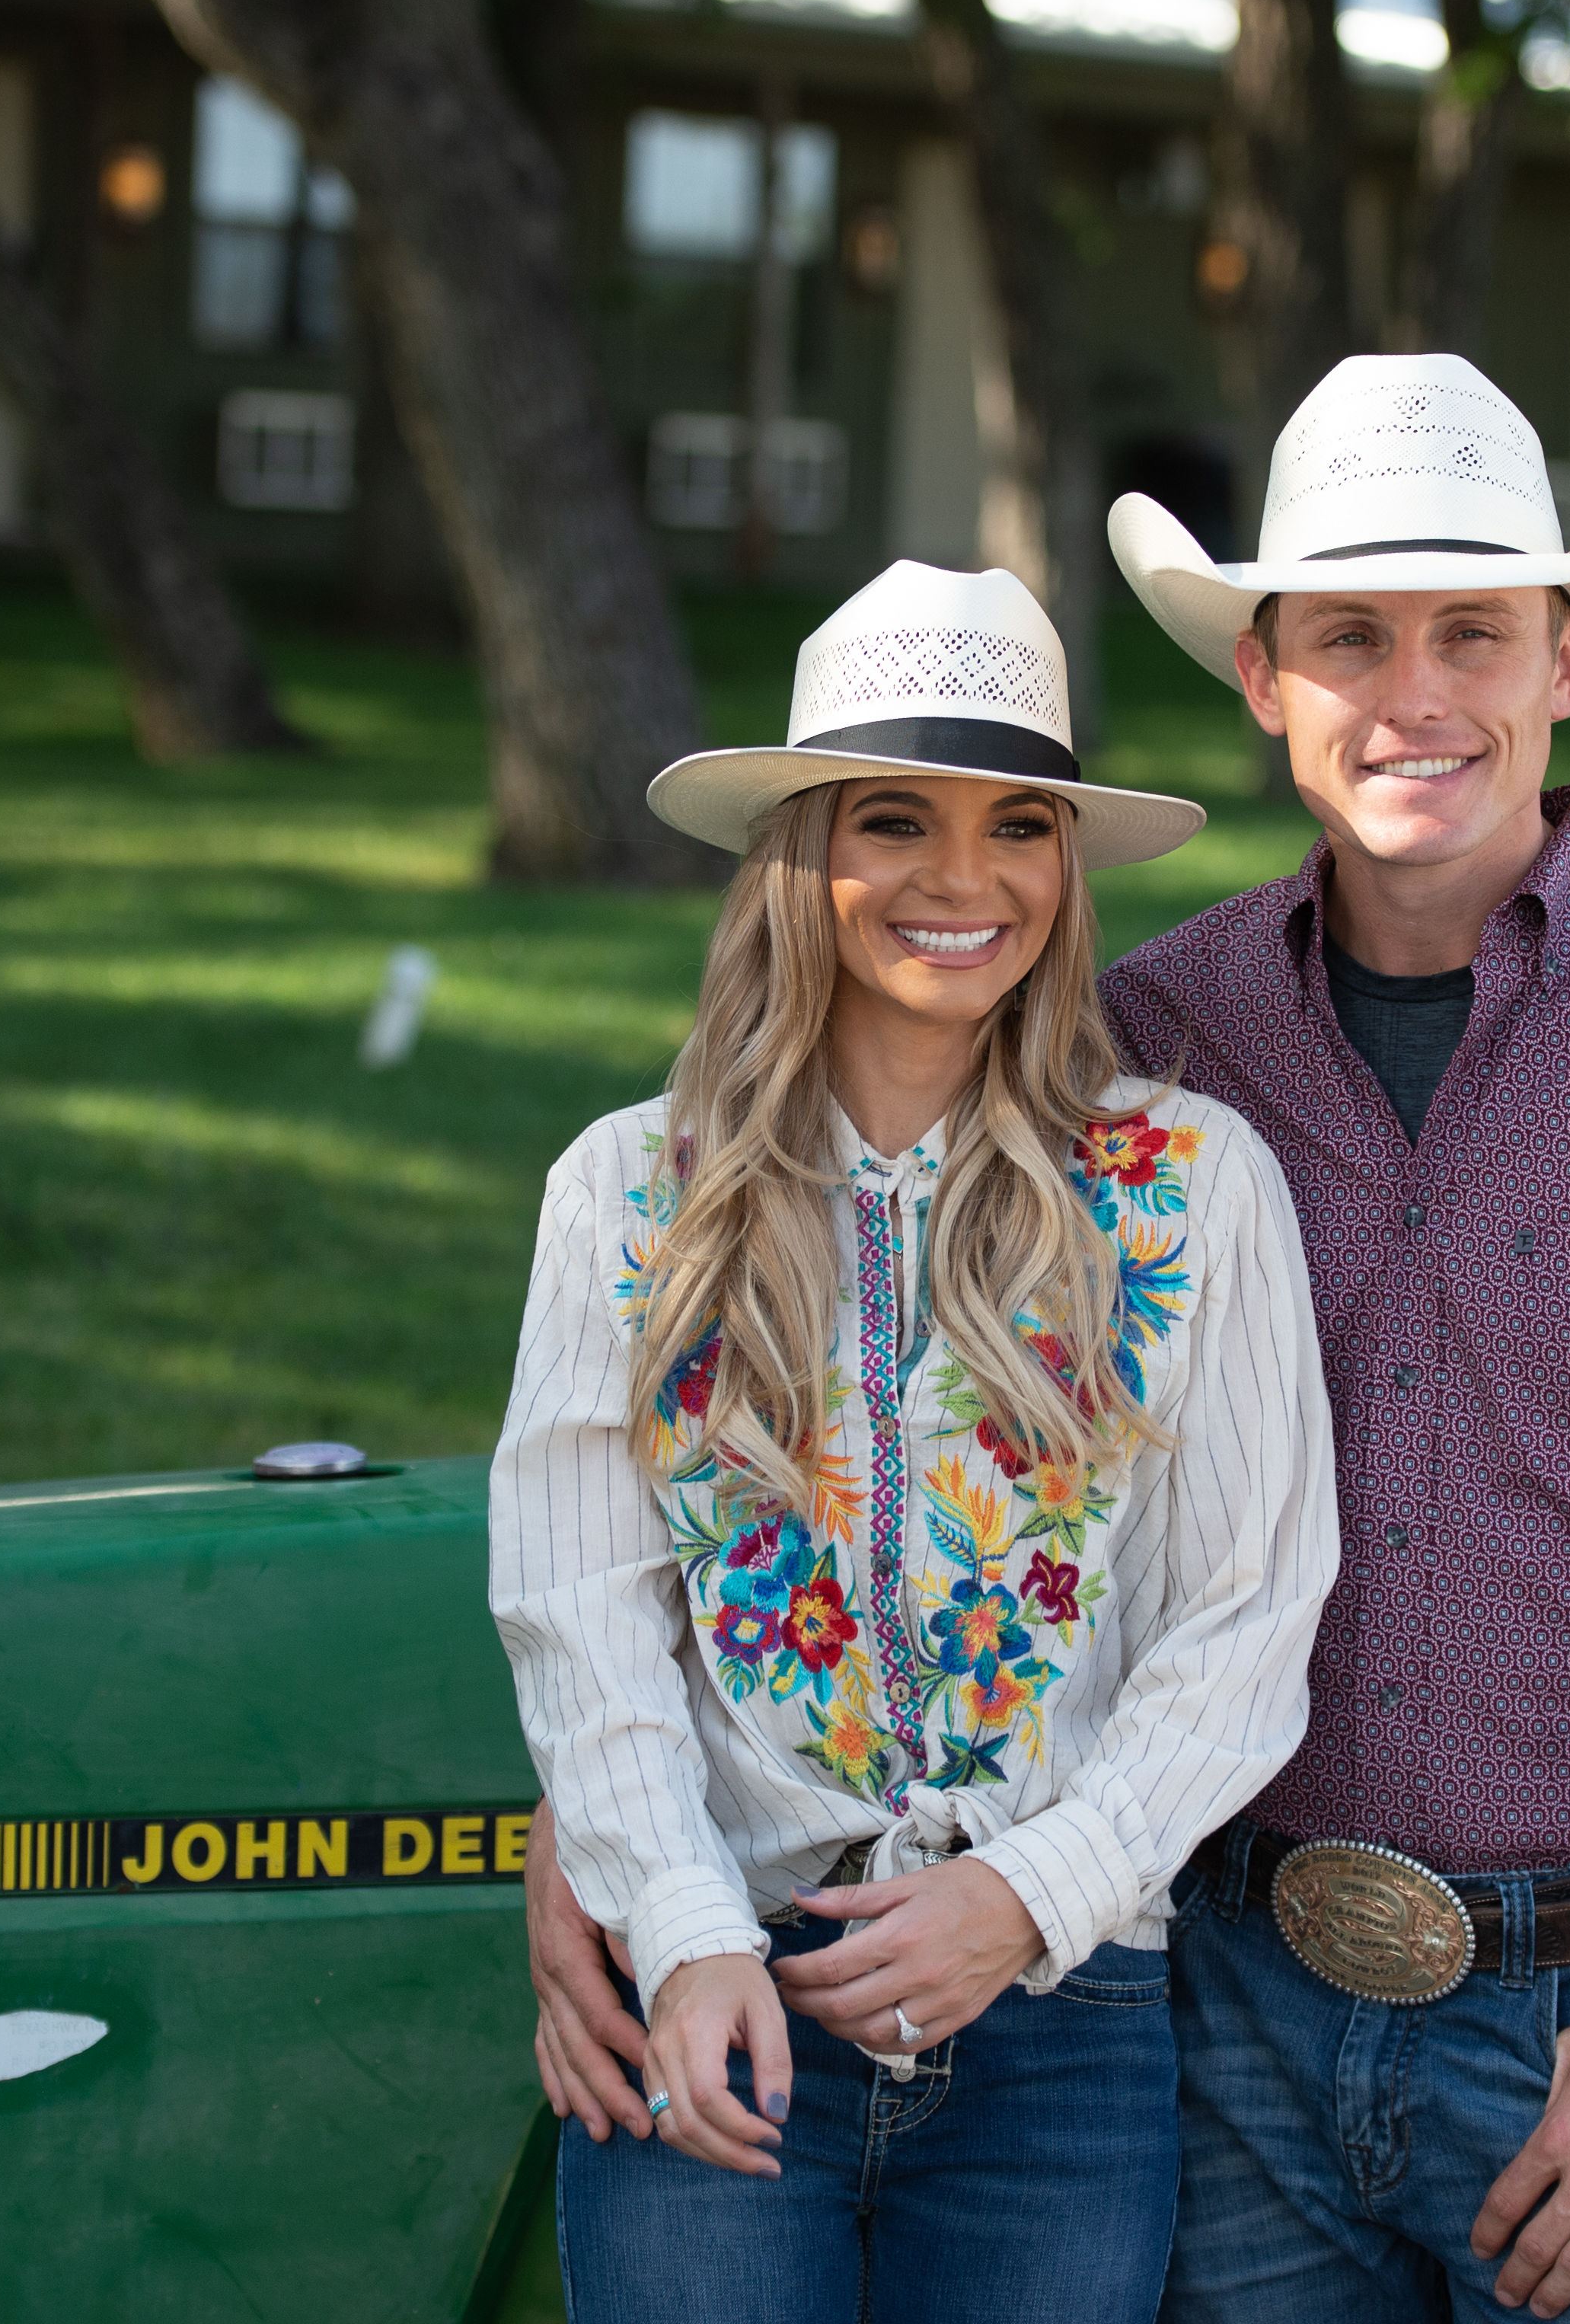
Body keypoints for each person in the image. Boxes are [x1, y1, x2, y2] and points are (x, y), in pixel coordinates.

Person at [529, 360, 1570, 2321]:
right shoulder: (1137, 1039)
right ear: (1261, 676)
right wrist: (613, 1833)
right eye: (1350, 636)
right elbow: (826, 1393)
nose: (1415, 694)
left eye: (1471, 630)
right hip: (1218, 2017)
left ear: (1568, 655)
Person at [489, 559, 1342, 2324]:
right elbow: (583, 1613)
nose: (965, 881)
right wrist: (681, 1922)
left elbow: (1247, 1617)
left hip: (1055, 2013)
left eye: (1020, 825)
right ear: (798, 855)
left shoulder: (1182, 1186)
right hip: (732, 1985)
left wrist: (1031, 1894)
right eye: (894, 819)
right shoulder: (632, 1192)